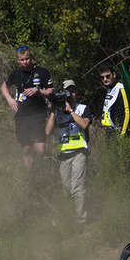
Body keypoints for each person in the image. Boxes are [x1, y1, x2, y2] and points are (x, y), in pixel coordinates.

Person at [45, 80, 92, 223]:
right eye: (68, 91)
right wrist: (53, 110)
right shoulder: (57, 112)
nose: (71, 94)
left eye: (73, 91)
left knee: (78, 188)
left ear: (76, 92)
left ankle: (80, 221)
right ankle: (68, 217)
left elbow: (84, 124)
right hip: (64, 155)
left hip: (79, 153)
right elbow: (47, 132)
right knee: (67, 189)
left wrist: (70, 111)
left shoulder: (82, 108)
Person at [0, 46, 53, 169]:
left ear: (31, 58)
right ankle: (31, 177)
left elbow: (51, 92)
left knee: (40, 149)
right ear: (18, 61)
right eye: (22, 60)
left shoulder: (42, 72)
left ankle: (40, 172)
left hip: (38, 114)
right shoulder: (15, 74)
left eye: (27, 59)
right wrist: (10, 100)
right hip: (21, 116)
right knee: (26, 149)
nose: (25, 62)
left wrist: (38, 90)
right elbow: (3, 87)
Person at [98, 63, 130, 137]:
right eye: (102, 77)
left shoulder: (120, 88)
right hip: (109, 131)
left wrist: (123, 133)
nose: (105, 79)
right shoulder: (110, 89)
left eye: (108, 76)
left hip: (119, 130)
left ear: (114, 75)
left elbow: (127, 111)